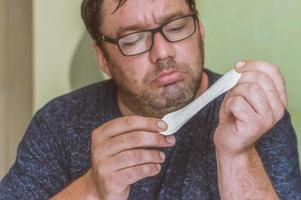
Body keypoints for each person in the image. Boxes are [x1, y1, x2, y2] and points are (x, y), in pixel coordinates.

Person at [1, 0, 301, 199]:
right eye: (133, 40)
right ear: (102, 59)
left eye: (177, 27)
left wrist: (238, 155)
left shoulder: (253, 116)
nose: (162, 53)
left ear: (200, 32)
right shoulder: (59, 122)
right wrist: (91, 189)